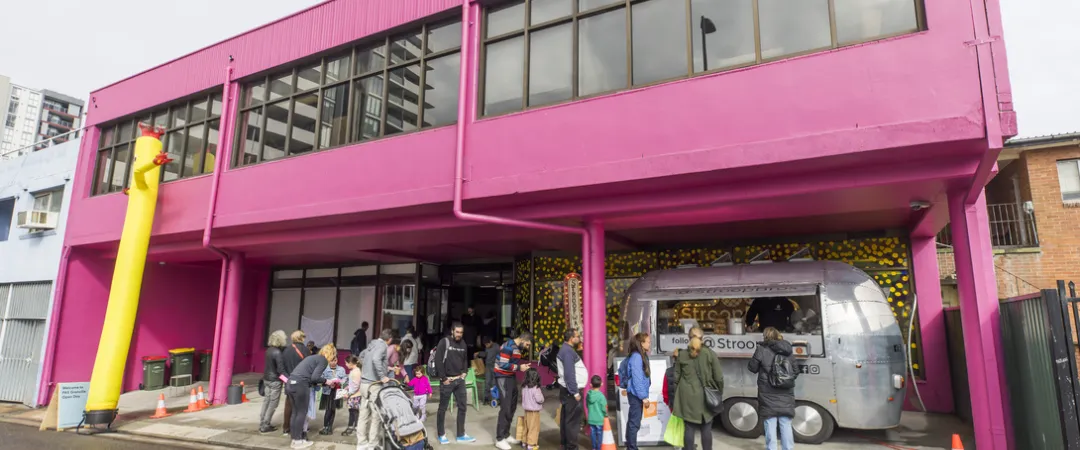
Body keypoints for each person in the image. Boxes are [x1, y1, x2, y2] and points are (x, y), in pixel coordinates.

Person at [673, 327, 725, 450]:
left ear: (688, 338)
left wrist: (677, 395)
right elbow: (719, 377)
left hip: (687, 396)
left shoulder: (681, 354)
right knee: (706, 427)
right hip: (706, 395)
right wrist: (718, 392)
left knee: (689, 427)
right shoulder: (710, 353)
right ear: (702, 339)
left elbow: (676, 377)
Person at [749, 327, 797, 450]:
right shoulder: (788, 350)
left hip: (767, 393)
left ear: (765, 336)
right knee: (785, 423)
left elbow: (752, 368)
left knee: (770, 423)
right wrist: (784, 380)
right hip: (785, 393)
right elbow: (796, 371)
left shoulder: (761, 349)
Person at [286, 344, 337, 449]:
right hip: (301, 385)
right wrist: (328, 381)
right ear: (331, 354)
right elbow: (315, 378)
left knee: (295, 413)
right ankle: (299, 441)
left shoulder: (312, 357)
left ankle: (295, 440)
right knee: (301, 413)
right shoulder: (323, 361)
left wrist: (323, 382)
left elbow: (311, 376)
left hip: (290, 383)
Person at [435, 322, 477, 444]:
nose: (459, 335)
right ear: (452, 331)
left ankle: (461, 434)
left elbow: (465, 359)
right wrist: (443, 378)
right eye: (457, 332)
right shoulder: (444, 342)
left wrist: (464, 372)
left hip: (459, 380)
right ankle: (441, 434)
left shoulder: (463, 343)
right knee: (442, 409)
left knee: (463, 407)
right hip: (447, 381)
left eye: (461, 332)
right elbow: (438, 360)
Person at [493, 332, 532, 450]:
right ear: (523, 339)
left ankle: (506, 434)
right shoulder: (508, 346)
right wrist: (520, 368)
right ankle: (499, 439)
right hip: (502, 377)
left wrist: (519, 368)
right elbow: (503, 364)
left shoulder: (516, 348)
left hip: (510, 376)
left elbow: (510, 364)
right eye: (527, 344)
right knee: (505, 407)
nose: (527, 347)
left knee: (512, 405)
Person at [356, 329, 393, 450]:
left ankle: (361, 443)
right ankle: (373, 443)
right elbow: (376, 359)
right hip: (374, 384)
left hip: (364, 384)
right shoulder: (382, 346)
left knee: (363, 414)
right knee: (376, 414)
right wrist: (382, 376)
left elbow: (361, 356)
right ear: (390, 339)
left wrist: (366, 368)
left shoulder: (372, 345)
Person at [618, 332, 651, 450]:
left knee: (633, 420)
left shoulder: (639, 355)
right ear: (641, 343)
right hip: (636, 395)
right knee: (634, 422)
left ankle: (630, 445)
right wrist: (644, 397)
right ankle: (632, 447)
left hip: (636, 393)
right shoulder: (637, 357)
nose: (649, 343)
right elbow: (637, 379)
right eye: (648, 341)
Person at [557, 328, 589, 450]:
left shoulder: (566, 350)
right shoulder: (568, 352)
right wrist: (575, 392)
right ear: (571, 338)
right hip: (571, 392)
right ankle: (571, 447)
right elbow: (569, 374)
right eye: (577, 336)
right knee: (572, 422)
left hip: (567, 391)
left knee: (567, 419)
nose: (579, 338)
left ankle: (565, 445)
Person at [281, 330, 311, 438]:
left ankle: (286, 427)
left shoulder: (286, 350)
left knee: (288, 404)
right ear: (301, 338)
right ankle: (299, 430)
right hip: (301, 381)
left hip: (289, 381)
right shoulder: (306, 350)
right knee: (300, 407)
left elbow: (281, 367)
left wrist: (287, 379)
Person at [259, 330, 288, 433]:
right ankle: (266, 424)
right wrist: (288, 380)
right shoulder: (278, 352)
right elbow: (281, 370)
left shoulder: (269, 350)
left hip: (266, 379)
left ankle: (262, 421)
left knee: (266, 400)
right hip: (275, 381)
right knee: (273, 404)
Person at [319, 357, 347, 435]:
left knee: (333, 409)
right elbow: (320, 380)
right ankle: (325, 426)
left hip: (337, 392)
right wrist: (327, 383)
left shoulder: (341, 369)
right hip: (328, 392)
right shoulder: (325, 369)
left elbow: (345, 380)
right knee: (328, 410)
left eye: (335, 360)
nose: (333, 362)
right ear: (328, 361)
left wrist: (340, 382)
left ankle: (330, 427)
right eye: (331, 361)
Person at [520, 368, 544, 450]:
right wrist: (542, 400)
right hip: (534, 411)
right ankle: (531, 444)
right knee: (533, 428)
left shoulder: (524, 387)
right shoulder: (536, 388)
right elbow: (539, 399)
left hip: (526, 410)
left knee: (526, 426)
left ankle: (524, 442)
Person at [342, 355, 362, 437]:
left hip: (355, 396)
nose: (345, 365)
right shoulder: (354, 370)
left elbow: (356, 386)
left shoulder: (356, 372)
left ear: (350, 363)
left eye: (346, 363)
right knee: (352, 411)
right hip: (353, 395)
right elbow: (353, 384)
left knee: (354, 412)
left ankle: (355, 427)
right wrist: (348, 387)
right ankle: (351, 426)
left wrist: (348, 393)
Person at [586, 375, 607, 450]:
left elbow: (587, 405)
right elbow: (604, 408)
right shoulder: (601, 396)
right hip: (599, 419)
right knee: (600, 433)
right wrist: (606, 415)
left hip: (591, 418)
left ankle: (594, 448)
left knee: (592, 433)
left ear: (591, 385)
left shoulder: (588, 395)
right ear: (602, 384)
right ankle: (599, 448)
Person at [474, 337, 497, 404]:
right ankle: (486, 399)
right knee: (487, 383)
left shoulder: (497, 347)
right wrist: (478, 353)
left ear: (491, 342)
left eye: (487, 344)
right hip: (488, 367)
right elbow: (485, 354)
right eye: (485, 345)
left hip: (495, 367)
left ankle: (494, 399)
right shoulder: (487, 347)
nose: (486, 346)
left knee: (494, 383)